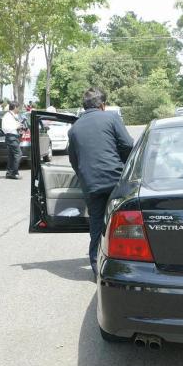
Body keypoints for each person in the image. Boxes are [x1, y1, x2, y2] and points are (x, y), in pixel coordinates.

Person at [68, 88, 134, 275]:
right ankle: (126, 262)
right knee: (124, 222)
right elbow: (128, 145)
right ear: (102, 105)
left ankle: (97, 267)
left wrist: (84, 176)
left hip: (90, 184)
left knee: (96, 223)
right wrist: (125, 166)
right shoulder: (112, 118)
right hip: (116, 180)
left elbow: (73, 159)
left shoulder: (74, 128)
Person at [1, 101, 23, 180]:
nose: (19, 109)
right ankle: (14, 173)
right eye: (18, 107)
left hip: (14, 137)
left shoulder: (13, 115)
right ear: (15, 107)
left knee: (11, 156)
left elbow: (13, 126)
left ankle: (9, 173)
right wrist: (16, 127)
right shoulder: (7, 116)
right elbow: (5, 128)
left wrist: (19, 127)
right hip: (11, 137)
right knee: (18, 154)